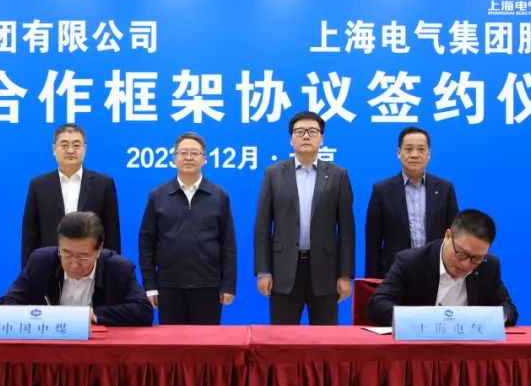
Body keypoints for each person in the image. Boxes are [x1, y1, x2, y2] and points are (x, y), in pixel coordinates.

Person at [253, 110, 355, 325]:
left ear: (321, 138)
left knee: (325, 338)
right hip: (284, 270)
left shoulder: (338, 175)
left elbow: (347, 230)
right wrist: (263, 271)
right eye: (299, 132)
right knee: (282, 338)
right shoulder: (274, 173)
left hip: (325, 271)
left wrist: (345, 275)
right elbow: (262, 226)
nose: (306, 136)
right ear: (291, 139)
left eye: (312, 131)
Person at [138, 132, 237, 325]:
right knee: (171, 342)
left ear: (204, 159)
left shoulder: (219, 196)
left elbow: (228, 244)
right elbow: (146, 243)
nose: (189, 157)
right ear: (174, 158)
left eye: (195, 153)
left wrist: (228, 285)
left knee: (207, 341)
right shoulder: (158, 196)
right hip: (168, 286)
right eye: (183, 153)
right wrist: (150, 285)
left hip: (208, 286)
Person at [366, 209, 518, 327]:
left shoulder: (489, 266)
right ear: (447, 236)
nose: (466, 264)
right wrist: (421, 319)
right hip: (419, 348)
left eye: (476, 258)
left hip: (467, 349)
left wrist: (497, 318)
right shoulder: (411, 262)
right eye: (461, 254)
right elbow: (377, 305)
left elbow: (508, 308)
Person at [0, 211, 153, 327]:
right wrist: (43, 316)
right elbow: (6, 303)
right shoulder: (41, 262)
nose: (73, 264)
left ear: (99, 249)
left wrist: (90, 315)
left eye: (83, 257)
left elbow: (143, 311)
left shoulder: (118, 268)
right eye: (66, 254)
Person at [20, 123, 121, 268]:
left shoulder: (103, 184)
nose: (70, 150)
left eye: (76, 145)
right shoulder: (38, 185)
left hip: (91, 267)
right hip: (49, 267)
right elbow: (30, 236)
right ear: (54, 149)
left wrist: (112, 271)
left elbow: (112, 235)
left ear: (84, 149)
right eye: (64, 145)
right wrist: (28, 273)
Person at [364, 127, 459, 278]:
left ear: (429, 154)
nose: (414, 155)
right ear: (398, 152)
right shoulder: (382, 190)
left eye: (421, 149)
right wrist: (372, 281)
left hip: (437, 270)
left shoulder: (444, 189)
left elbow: (454, 235)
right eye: (408, 149)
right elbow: (373, 243)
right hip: (395, 271)